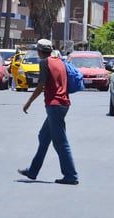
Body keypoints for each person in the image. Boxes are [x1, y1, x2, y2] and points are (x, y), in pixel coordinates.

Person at [18, 39, 79, 185]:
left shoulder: (44, 63)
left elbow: (41, 85)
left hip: (54, 105)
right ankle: (33, 170)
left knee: (60, 142)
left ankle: (71, 175)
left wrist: (28, 102)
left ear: (39, 51)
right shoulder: (59, 61)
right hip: (62, 104)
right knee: (44, 136)